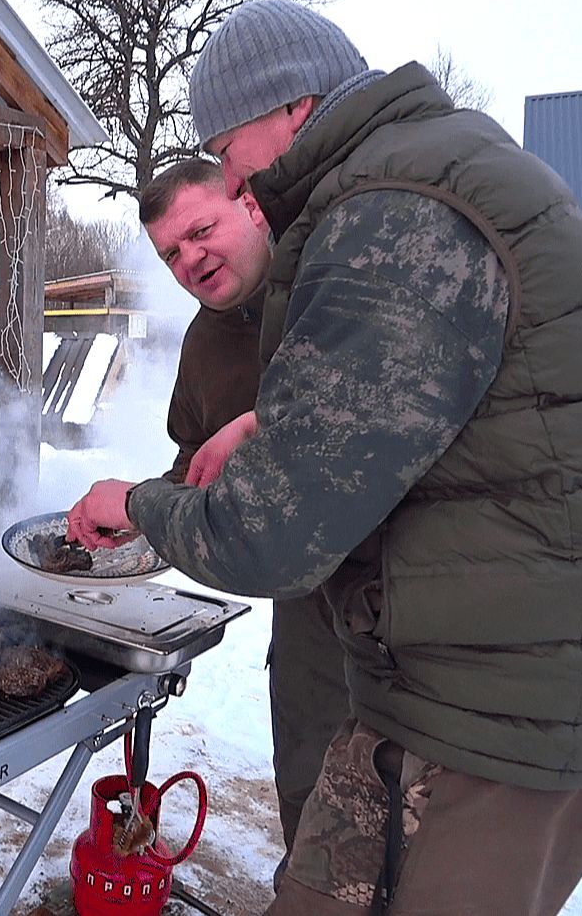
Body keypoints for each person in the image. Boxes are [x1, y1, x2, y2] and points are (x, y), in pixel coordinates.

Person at [68, 0, 582, 916]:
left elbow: (268, 535)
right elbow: (417, 405)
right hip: (466, 667)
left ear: (289, 110)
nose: (239, 181)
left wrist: (138, 503)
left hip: (499, 705)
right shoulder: (432, 172)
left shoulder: (396, 214)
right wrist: (269, 428)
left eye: (229, 152)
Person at [143, 156, 350, 861]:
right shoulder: (203, 342)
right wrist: (141, 514)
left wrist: (263, 424)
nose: (189, 258)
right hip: (305, 605)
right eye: (171, 252)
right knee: (312, 788)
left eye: (201, 230)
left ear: (250, 208)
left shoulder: (332, 283)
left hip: (412, 593)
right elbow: (192, 457)